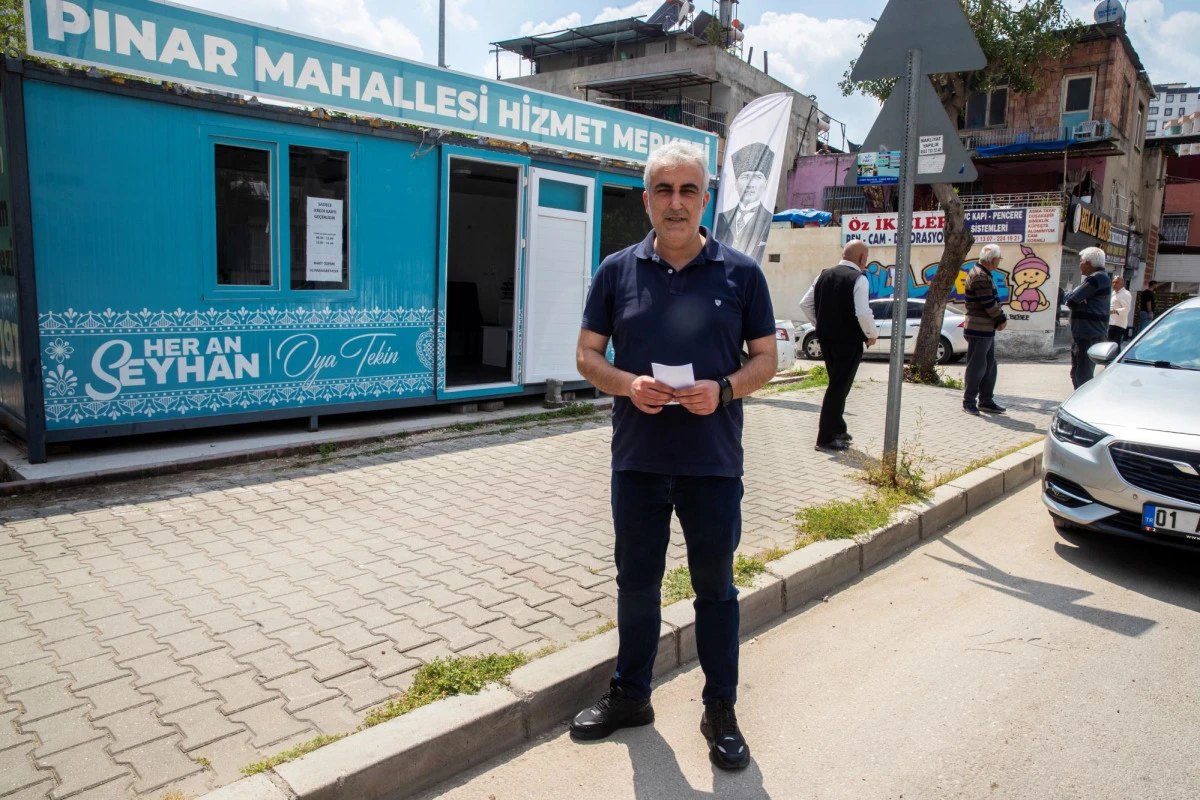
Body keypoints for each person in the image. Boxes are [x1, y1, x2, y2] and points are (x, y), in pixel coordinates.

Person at [572, 140, 777, 771]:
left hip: (712, 465)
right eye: (664, 190)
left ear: (705, 199)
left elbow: (767, 359)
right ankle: (632, 694)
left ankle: (720, 709)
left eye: (688, 190)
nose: (676, 202)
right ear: (647, 200)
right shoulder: (615, 272)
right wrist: (626, 384)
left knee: (715, 590)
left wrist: (725, 389)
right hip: (637, 461)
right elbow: (587, 356)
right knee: (637, 584)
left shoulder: (742, 274)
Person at [798, 239, 878, 450]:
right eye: (866, 258)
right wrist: (871, 334)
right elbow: (863, 313)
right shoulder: (859, 279)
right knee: (838, 387)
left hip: (826, 340)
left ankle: (838, 429)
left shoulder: (823, 275)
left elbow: (805, 304)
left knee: (838, 384)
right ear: (861, 258)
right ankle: (825, 438)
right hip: (849, 341)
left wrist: (820, 323)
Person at [961, 244, 1009, 416]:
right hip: (978, 328)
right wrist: (1001, 319)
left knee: (989, 366)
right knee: (977, 367)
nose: (999, 262)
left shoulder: (984, 274)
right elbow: (988, 303)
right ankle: (969, 401)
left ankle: (986, 400)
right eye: (999, 259)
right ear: (993, 259)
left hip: (986, 329)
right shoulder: (980, 275)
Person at [713, 142, 776, 262]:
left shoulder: (769, 221)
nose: (750, 184)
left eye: (757, 177)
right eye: (745, 177)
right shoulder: (720, 219)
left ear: (765, 184)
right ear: (736, 184)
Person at [1065, 247, 1112, 389]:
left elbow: (1071, 300)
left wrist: (1077, 298)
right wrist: (1077, 297)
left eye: (1081, 261)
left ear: (1088, 263)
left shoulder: (1096, 278)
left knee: (1082, 376)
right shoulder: (1097, 278)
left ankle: (1083, 401)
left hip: (1089, 334)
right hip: (1085, 334)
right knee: (1077, 373)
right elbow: (1071, 297)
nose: (1079, 264)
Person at [1108, 275, 1132, 344]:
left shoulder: (1125, 293)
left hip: (1118, 324)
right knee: (1110, 345)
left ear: (1122, 284)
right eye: (1113, 282)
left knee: (1114, 345)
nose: (1114, 284)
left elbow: (1126, 309)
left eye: (1117, 282)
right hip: (1111, 322)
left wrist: (1114, 311)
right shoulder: (1114, 292)